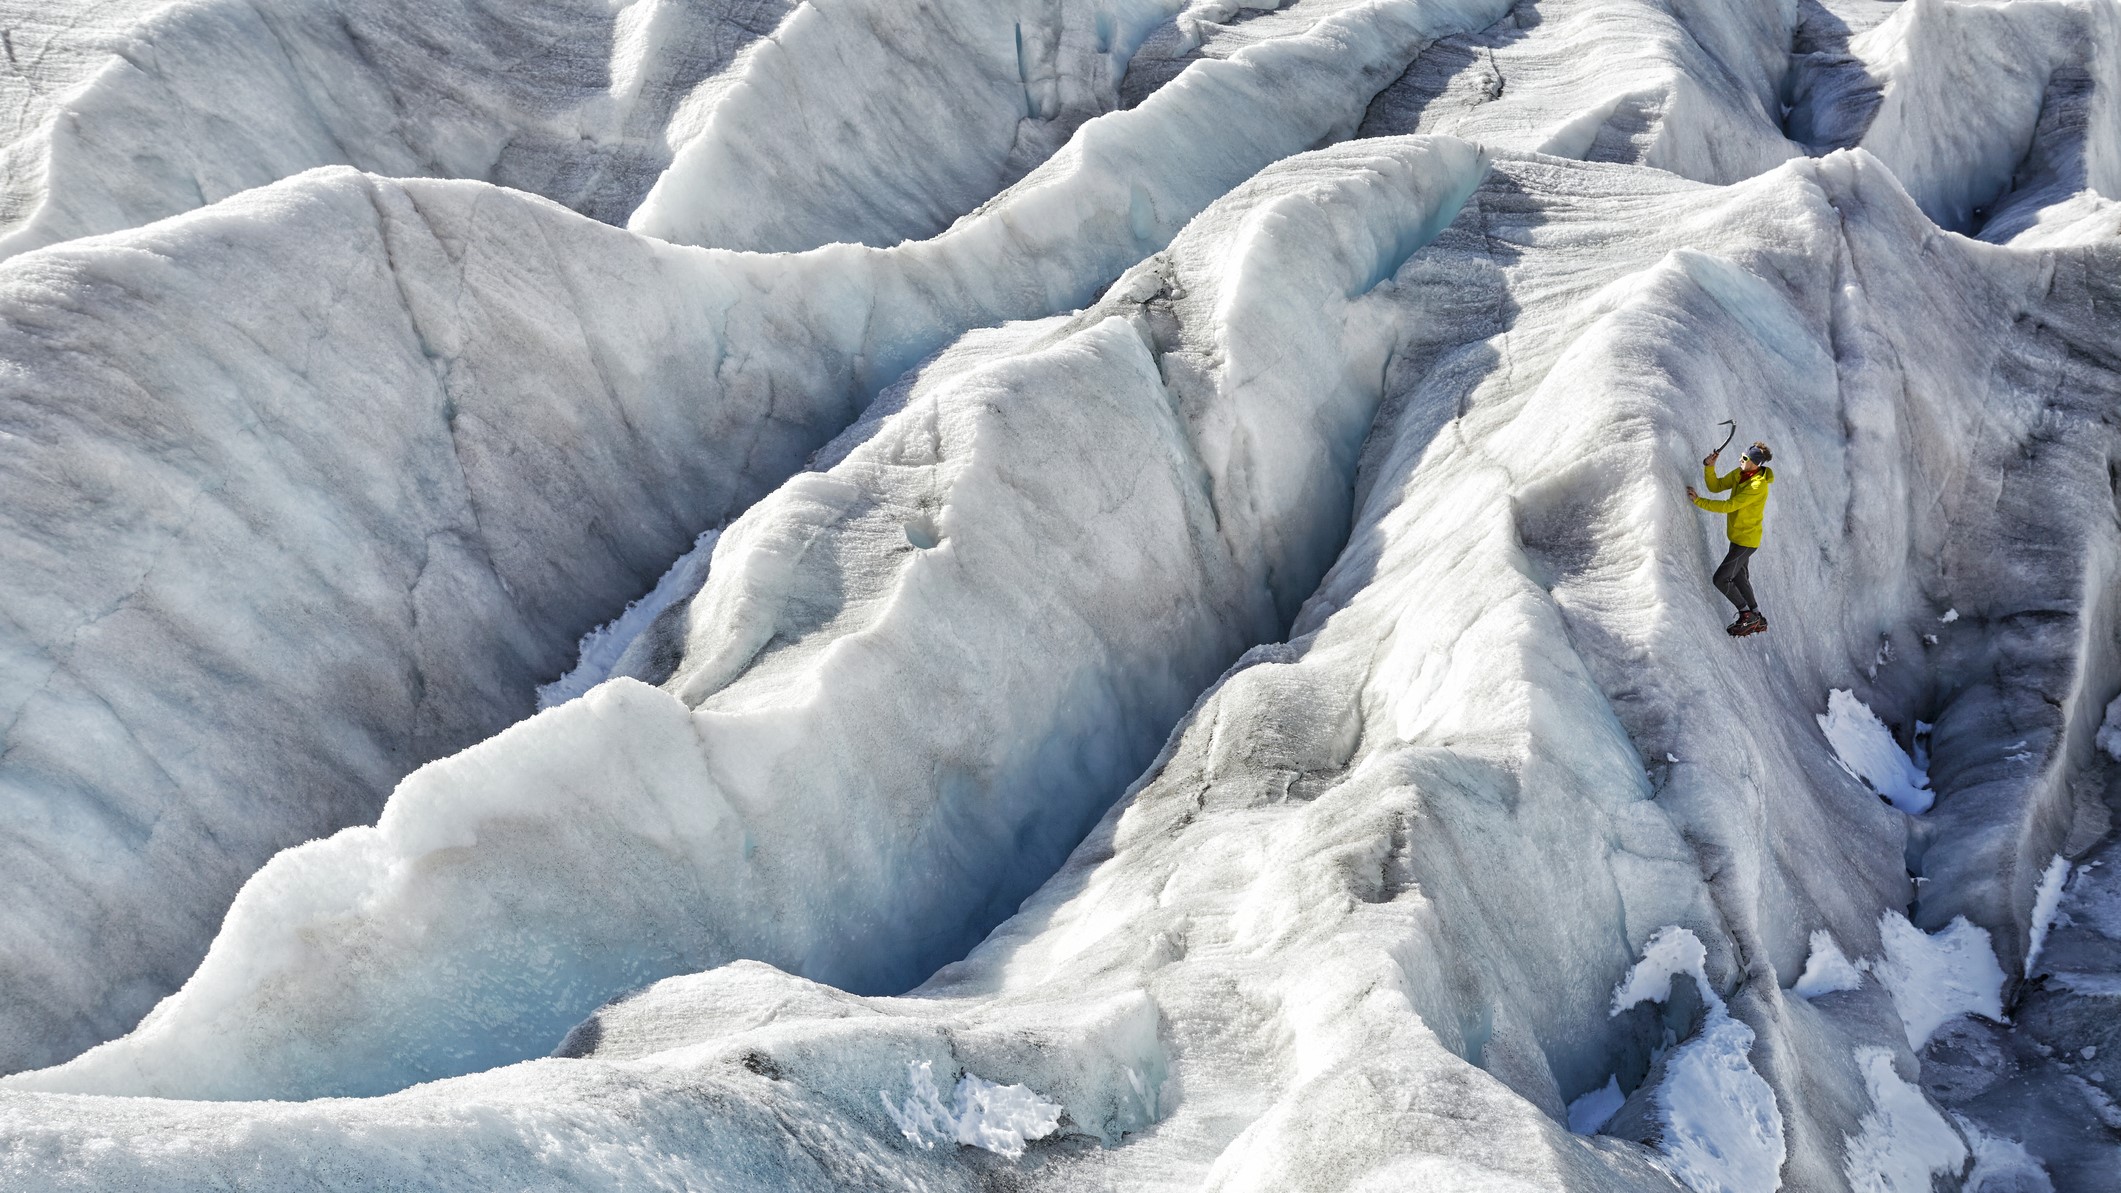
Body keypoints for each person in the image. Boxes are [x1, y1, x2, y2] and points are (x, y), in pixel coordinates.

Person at [1686, 441, 1773, 636]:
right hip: (1738, 537)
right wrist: (1710, 467)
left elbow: (1729, 506)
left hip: (1746, 541)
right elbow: (1716, 486)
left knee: (1721, 579)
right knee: (1740, 576)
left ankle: (1746, 615)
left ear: (1755, 464)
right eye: (1741, 456)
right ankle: (1756, 615)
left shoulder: (1757, 486)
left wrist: (1698, 501)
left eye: (1744, 458)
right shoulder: (1740, 473)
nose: (1739, 459)